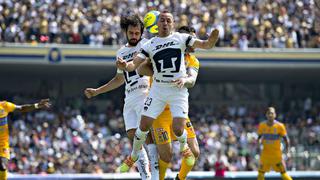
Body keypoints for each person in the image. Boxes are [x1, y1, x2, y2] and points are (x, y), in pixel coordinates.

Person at [116, 10, 219, 173]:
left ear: (173, 24)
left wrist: (212, 39)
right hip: (158, 90)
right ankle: (134, 156)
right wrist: (126, 66)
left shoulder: (182, 40)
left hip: (177, 92)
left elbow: (205, 45)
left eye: (168, 20)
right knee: (144, 129)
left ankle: (184, 149)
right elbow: (135, 66)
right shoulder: (150, 44)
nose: (165, 23)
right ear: (157, 24)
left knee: (180, 131)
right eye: (162, 20)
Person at [84, 14, 158, 180]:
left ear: (141, 33)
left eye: (136, 33)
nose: (133, 36)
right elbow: (119, 79)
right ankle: (145, 177)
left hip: (145, 94)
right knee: (134, 139)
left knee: (147, 137)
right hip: (129, 98)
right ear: (126, 32)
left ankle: (155, 175)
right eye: (131, 33)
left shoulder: (146, 45)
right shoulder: (121, 52)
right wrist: (97, 91)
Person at [138, 25, 200, 180]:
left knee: (195, 152)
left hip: (177, 111)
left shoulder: (193, 60)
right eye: (190, 39)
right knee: (167, 155)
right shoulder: (160, 51)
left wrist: (185, 79)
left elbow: (192, 80)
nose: (193, 42)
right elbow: (141, 69)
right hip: (159, 112)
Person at [0, 99, 51, 180]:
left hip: (2, 145)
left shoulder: (4, 105)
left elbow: (22, 108)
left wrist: (37, 105)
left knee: (2, 166)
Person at [257, 107, 292, 180]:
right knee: (260, 175)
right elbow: (259, 138)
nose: (270, 115)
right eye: (268, 113)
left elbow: (286, 139)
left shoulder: (280, 126)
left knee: (284, 174)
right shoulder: (262, 125)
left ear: (275, 115)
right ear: (266, 115)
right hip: (265, 155)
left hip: (276, 155)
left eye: (272, 113)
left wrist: (288, 152)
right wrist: (258, 145)